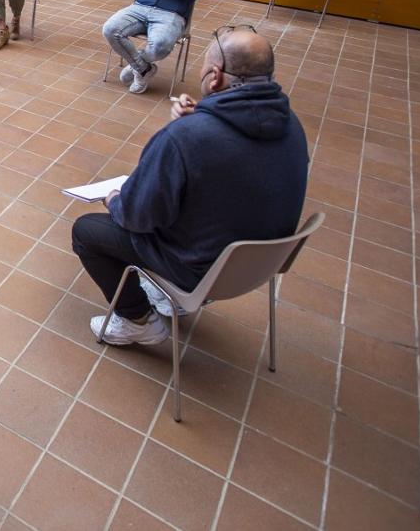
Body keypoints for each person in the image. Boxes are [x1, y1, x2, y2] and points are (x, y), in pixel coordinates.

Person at [71, 26, 308, 345]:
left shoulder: (185, 139)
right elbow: (236, 161)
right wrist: (202, 117)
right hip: (256, 267)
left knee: (88, 231)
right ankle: (171, 302)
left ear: (215, 76)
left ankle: (137, 319)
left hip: (198, 270)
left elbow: (137, 217)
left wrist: (114, 199)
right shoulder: (291, 125)